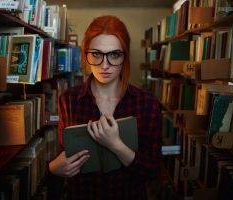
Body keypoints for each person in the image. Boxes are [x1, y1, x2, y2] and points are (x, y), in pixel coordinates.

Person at [48, 15, 161, 200]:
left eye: (114, 55)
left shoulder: (147, 103)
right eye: (97, 54)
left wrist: (116, 145)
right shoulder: (68, 99)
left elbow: (153, 170)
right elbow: (63, 154)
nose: (105, 65)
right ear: (86, 54)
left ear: (124, 57)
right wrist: (53, 168)